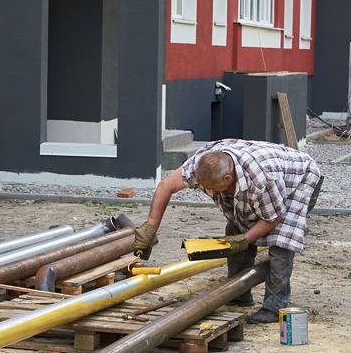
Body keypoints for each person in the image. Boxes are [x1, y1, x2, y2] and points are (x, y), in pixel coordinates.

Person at [135, 139, 322, 324]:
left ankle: (274, 307)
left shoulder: (262, 179)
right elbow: (166, 186)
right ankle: (239, 293)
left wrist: (244, 239)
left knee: (281, 241)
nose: (206, 190)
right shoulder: (201, 164)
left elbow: (274, 218)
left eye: (211, 187)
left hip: (299, 180)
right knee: (235, 229)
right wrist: (151, 226)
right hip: (263, 180)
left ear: (227, 178)